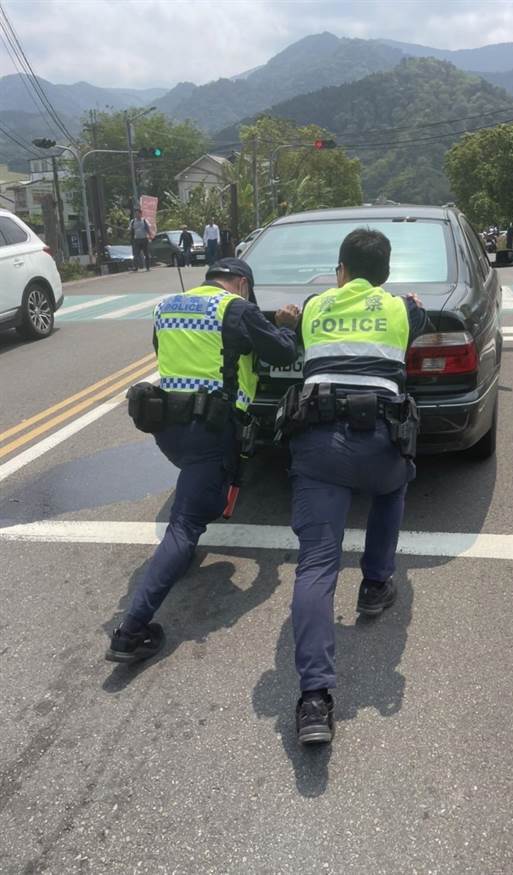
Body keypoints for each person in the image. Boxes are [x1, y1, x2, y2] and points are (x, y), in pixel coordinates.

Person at [279, 228, 432, 745]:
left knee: (316, 565)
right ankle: (374, 585)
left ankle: (314, 701)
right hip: (382, 443)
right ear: (384, 275)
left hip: (319, 445)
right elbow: (418, 324)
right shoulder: (401, 309)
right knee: (393, 488)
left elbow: (300, 339)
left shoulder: (314, 306)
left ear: (340, 271)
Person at [106, 258, 300, 664]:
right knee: (186, 524)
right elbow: (282, 352)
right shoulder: (236, 309)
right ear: (241, 283)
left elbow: (171, 354)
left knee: (202, 495)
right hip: (208, 431)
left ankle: (186, 538)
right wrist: (284, 324)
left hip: (167, 427)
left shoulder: (166, 306)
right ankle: (131, 632)